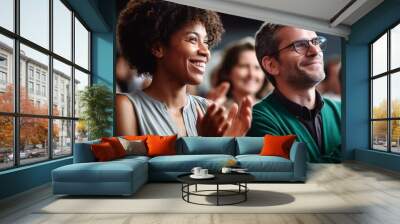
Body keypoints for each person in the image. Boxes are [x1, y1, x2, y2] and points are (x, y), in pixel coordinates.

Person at [115, 0, 252, 137]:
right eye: (192, 39)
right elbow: (132, 159)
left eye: (205, 42)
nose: (206, 52)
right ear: (158, 48)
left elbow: (224, 159)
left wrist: (232, 143)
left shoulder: (208, 109)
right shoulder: (127, 106)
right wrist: (205, 143)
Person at [247, 23, 341, 163]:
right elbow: (292, 173)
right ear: (272, 65)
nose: (315, 51)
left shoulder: (341, 110)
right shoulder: (259, 119)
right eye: (300, 45)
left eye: (316, 42)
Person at [208, 37, 273, 109]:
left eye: (257, 68)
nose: (251, 74)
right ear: (227, 72)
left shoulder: (273, 112)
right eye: (244, 66)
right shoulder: (215, 108)